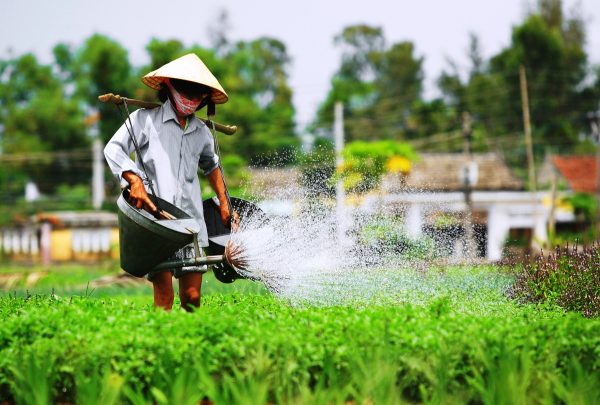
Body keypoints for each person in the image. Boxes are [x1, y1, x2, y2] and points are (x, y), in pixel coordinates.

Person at [104, 53, 238, 311]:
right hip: (156, 222)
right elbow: (114, 149)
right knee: (164, 298)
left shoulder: (201, 132)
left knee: (192, 298)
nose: (191, 99)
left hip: (191, 224)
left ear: (204, 100)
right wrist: (133, 179)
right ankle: (162, 342)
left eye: (198, 95)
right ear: (168, 87)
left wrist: (225, 203)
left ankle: (190, 343)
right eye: (186, 91)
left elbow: (212, 165)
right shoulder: (145, 121)